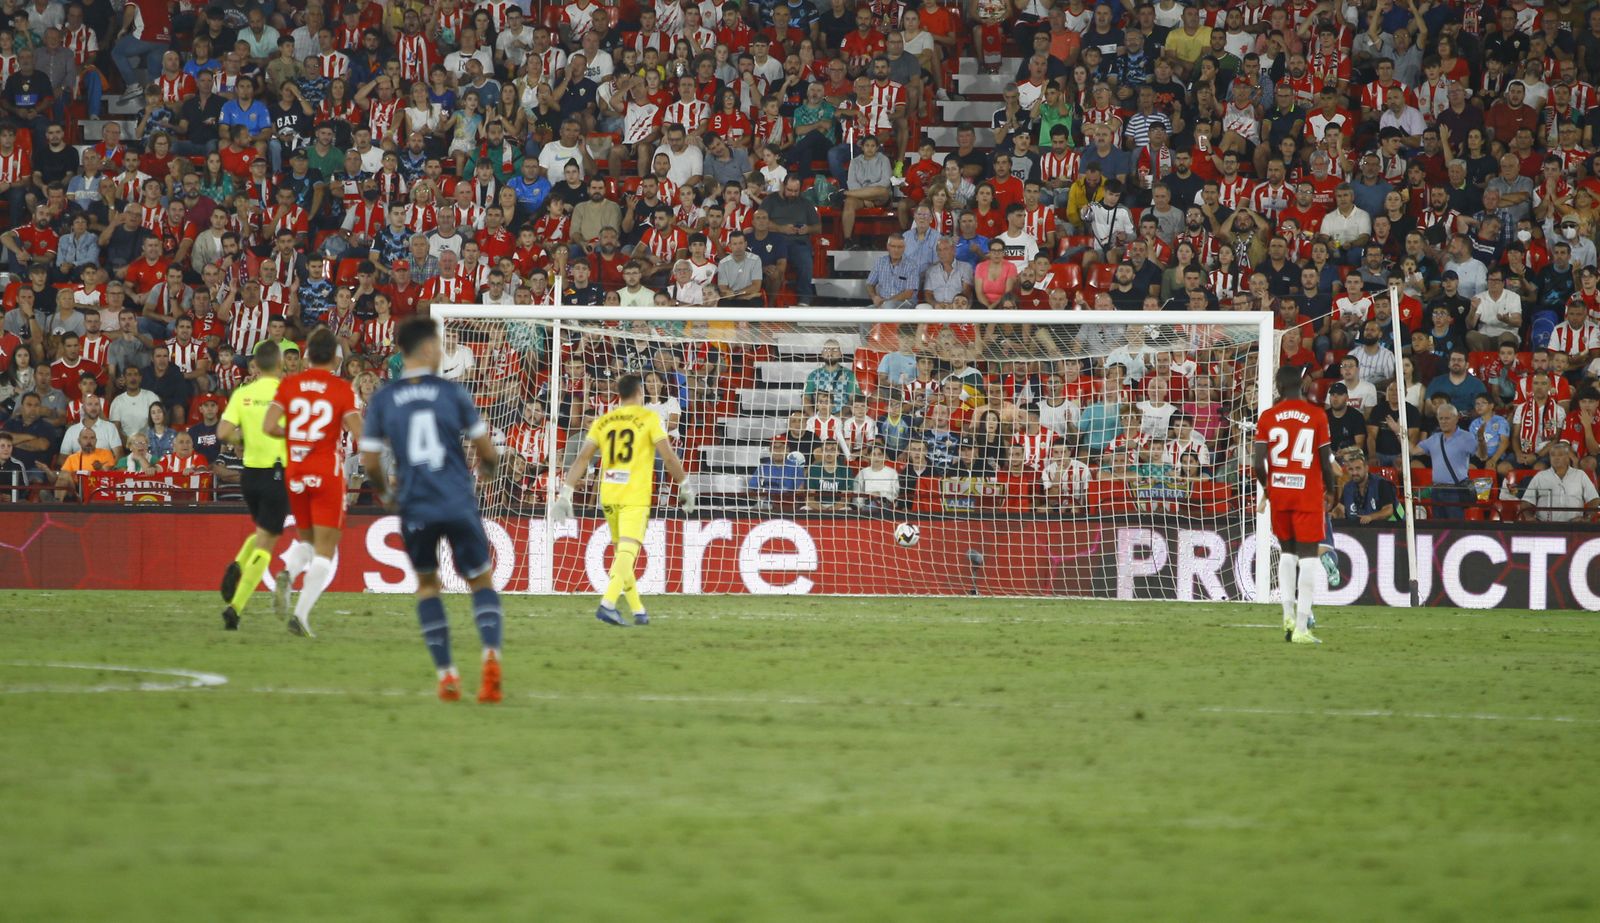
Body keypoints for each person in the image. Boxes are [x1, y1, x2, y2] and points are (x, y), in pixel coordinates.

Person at [359, 317, 506, 703]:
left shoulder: (384, 399)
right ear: (426, 348)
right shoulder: (451, 392)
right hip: (457, 500)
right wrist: (488, 471)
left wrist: (385, 493)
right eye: (439, 345)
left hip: (416, 505)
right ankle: (490, 657)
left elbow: (370, 460)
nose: (442, 351)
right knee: (480, 581)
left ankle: (446, 676)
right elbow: (487, 452)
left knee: (427, 586)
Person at [551, 372, 696, 628]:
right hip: (634, 494)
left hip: (609, 493)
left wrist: (565, 493)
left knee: (623, 553)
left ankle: (638, 610)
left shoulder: (604, 420)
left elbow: (583, 458)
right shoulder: (649, 418)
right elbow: (669, 456)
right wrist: (684, 485)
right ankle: (607, 604)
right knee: (628, 551)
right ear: (640, 393)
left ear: (619, 394)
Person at [263, 328, 362, 637]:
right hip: (325, 472)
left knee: (306, 540)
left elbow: (269, 426)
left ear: (306, 357)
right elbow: (360, 433)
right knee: (325, 550)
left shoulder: (289, 385)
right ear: (335, 358)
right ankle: (301, 616)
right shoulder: (342, 389)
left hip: (295, 472)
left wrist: (296, 435)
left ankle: (289, 572)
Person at [214, 341, 295, 631]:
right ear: (281, 364)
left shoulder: (243, 393)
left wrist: (243, 438)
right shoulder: (287, 393)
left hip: (249, 475)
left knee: (262, 532)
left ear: (256, 365)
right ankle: (235, 608)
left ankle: (238, 565)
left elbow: (223, 432)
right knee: (266, 544)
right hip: (276, 474)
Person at [1253, 367, 1337, 645]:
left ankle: (1287, 616)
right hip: (1307, 495)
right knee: (1309, 557)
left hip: (1280, 494)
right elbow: (1325, 461)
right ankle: (1301, 627)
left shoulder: (1268, 416)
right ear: (1303, 384)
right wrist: (1332, 490)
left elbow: (1258, 463)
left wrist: (1268, 488)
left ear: (1278, 386)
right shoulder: (1316, 415)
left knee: (1287, 553)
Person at [1519, 441, 1600, 523]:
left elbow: (1594, 499)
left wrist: (1587, 518)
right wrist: (1529, 517)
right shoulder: (1540, 476)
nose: (1556, 458)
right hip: (1545, 525)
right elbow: (1526, 501)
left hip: (1574, 526)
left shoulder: (1580, 475)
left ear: (1568, 457)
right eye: (1553, 455)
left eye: (1560, 455)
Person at [1335, 451, 1398, 525]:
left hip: (1395, 527)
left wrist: (1371, 517)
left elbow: (1388, 510)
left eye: (1358, 468)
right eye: (1351, 469)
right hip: (1363, 529)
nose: (1354, 473)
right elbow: (1340, 508)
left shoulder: (1382, 484)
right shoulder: (1348, 487)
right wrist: (1334, 514)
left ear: (1366, 468)